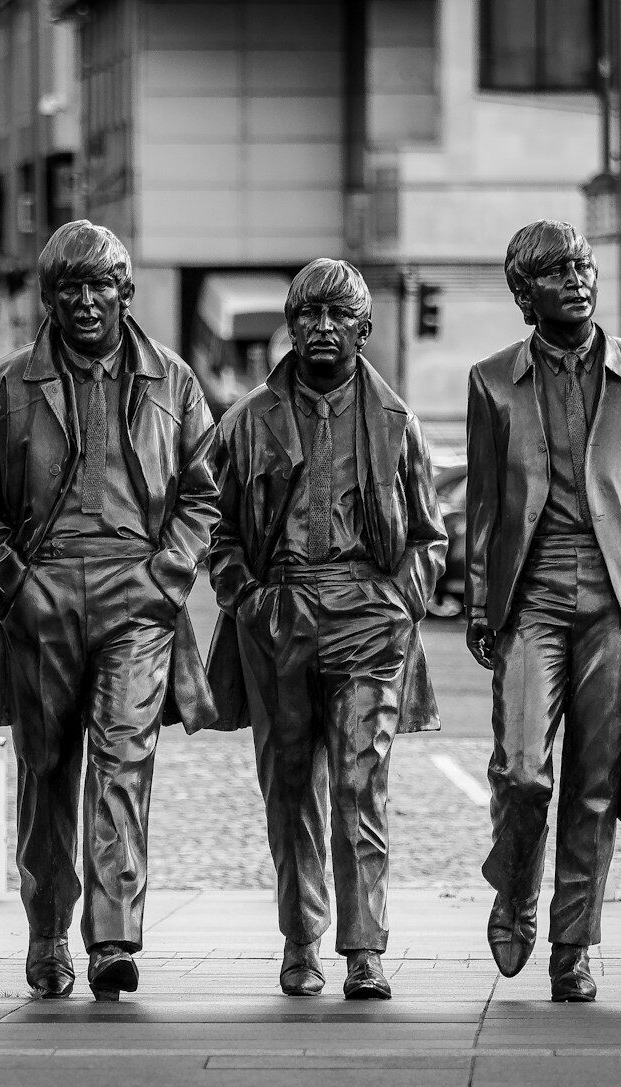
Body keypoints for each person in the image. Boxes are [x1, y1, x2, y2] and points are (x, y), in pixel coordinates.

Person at [0, 219, 219, 1001]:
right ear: (49, 298)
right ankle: (45, 929)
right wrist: (10, 580)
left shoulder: (174, 382)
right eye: (69, 287)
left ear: (125, 292)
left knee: (124, 762)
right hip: (40, 594)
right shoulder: (4, 387)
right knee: (46, 773)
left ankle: (111, 937)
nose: (87, 301)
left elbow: (202, 494)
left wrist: (165, 576)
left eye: (101, 285)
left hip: (135, 596)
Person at [464, 220, 621, 1003]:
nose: (576, 278)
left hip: (620, 604)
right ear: (524, 294)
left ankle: (574, 947)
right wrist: (477, 599)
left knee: (593, 786)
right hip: (530, 598)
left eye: (583, 265)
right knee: (524, 769)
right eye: (556, 270)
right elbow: (486, 507)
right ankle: (516, 891)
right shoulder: (492, 381)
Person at [206, 259, 446, 1000]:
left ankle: (365, 948)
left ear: (363, 331)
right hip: (280, 614)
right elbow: (213, 529)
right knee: (289, 789)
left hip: (366, 618)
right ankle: (301, 939)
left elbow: (429, 539)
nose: (320, 328)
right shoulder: (247, 421)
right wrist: (249, 598)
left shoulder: (398, 422)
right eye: (307, 315)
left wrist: (397, 603)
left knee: (359, 784)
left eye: (338, 316)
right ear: (290, 325)